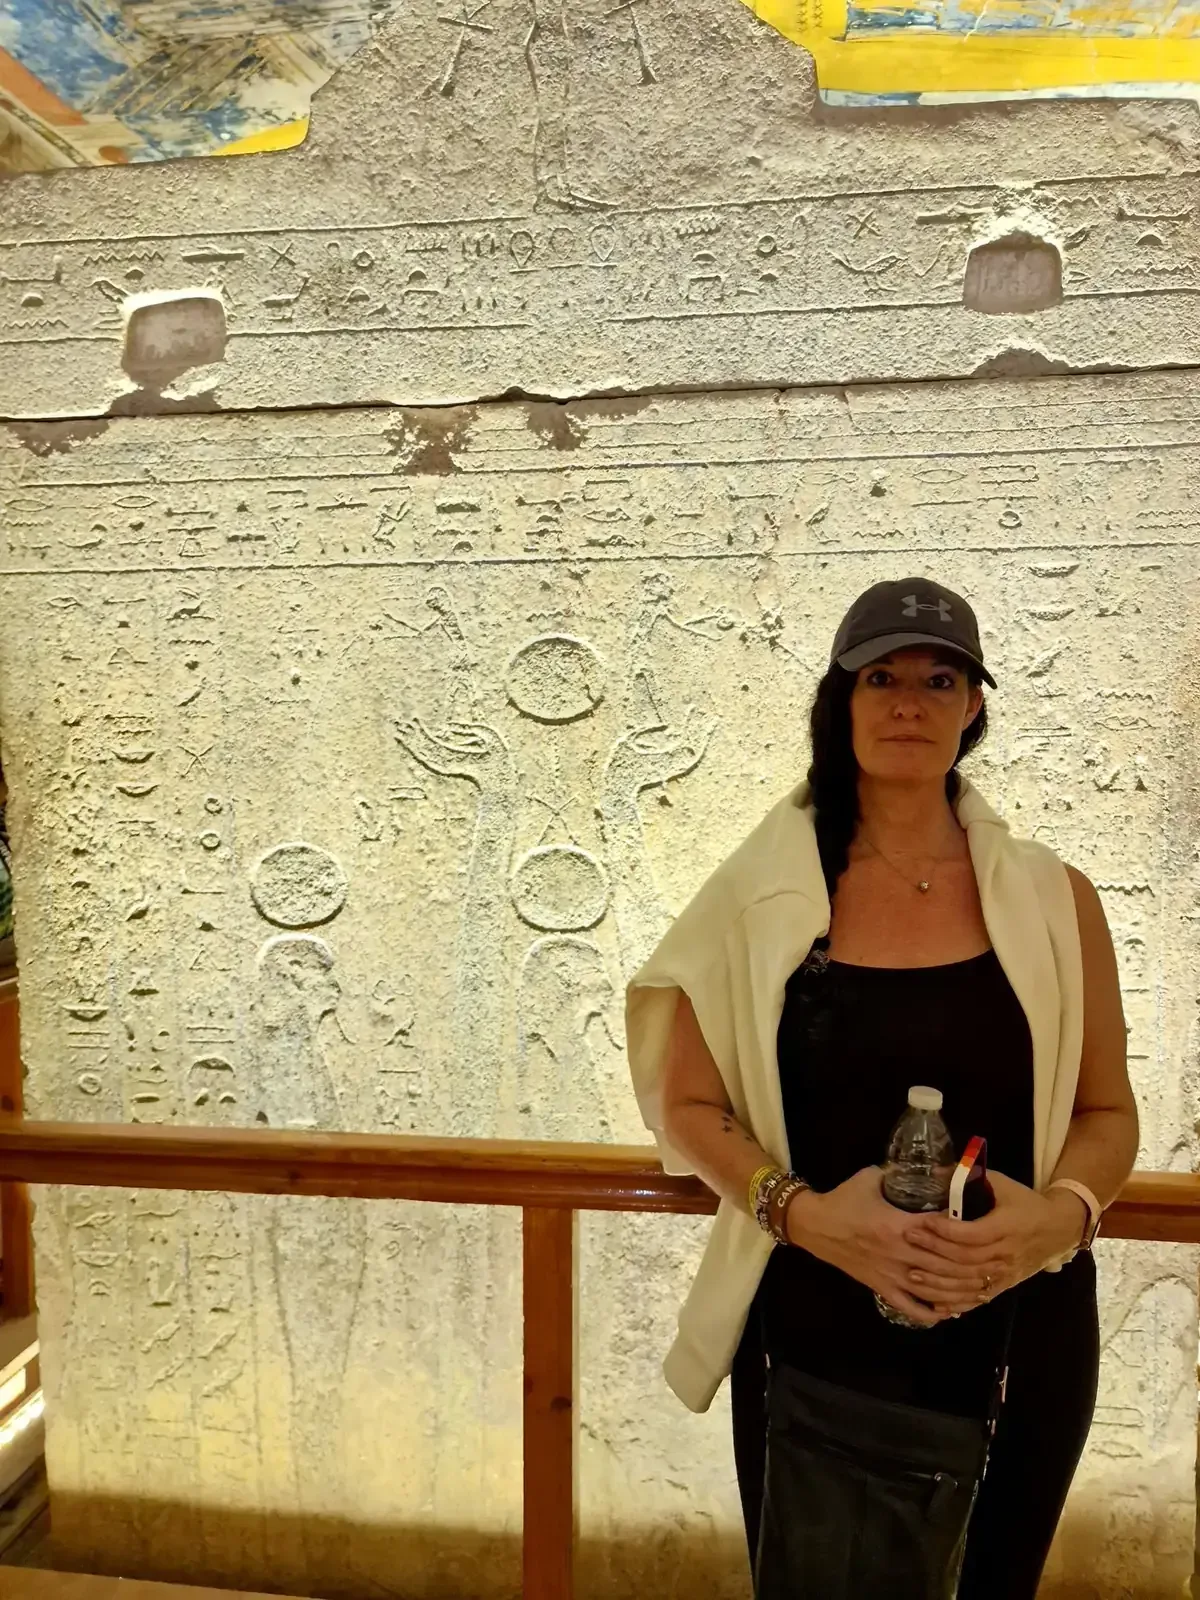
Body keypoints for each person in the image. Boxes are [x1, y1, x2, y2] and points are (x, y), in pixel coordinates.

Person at [624, 577, 1138, 1599]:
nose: (909, 702)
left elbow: (1107, 1112)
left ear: (973, 706)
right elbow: (687, 1105)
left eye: (939, 680)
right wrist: (806, 1216)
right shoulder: (762, 895)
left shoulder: (1055, 897)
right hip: (817, 1331)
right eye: (882, 678)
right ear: (842, 699)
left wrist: (1055, 1223)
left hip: (1021, 1326)